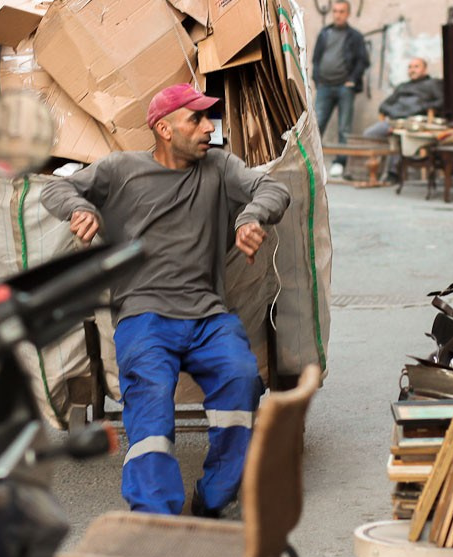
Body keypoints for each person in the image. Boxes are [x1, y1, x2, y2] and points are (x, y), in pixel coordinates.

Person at [40, 83, 291, 517]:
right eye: (196, 119)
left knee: (241, 377)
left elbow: (274, 190)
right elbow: (54, 190)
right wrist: (81, 211)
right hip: (143, 315)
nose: (208, 128)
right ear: (164, 128)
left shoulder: (220, 168)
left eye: (208, 118)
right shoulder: (121, 169)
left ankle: (214, 496)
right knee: (151, 404)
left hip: (209, 315)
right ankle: (156, 514)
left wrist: (250, 216)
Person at [311, 0, 370, 178]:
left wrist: (352, 80)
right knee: (316, 124)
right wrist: (317, 79)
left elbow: (363, 61)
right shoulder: (324, 33)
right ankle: (312, 163)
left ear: (348, 14)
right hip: (324, 87)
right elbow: (316, 58)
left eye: (342, 11)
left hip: (345, 87)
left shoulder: (355, 36)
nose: (338, 14)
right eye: (335, 11)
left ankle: (339, 163)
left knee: (344, 127)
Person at [362, 58, 444, 182]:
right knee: (369, 134)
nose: (412, 70)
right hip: (394, 121)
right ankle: (370, 171)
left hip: (414, 123)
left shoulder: (432, 84)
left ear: (425, 69)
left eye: (416, 66)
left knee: (399, 137)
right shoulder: (403, 87)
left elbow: (441, 101)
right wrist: (395, 113)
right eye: (410, 67)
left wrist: (421, 107)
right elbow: (384, 105)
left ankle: (393, 173)